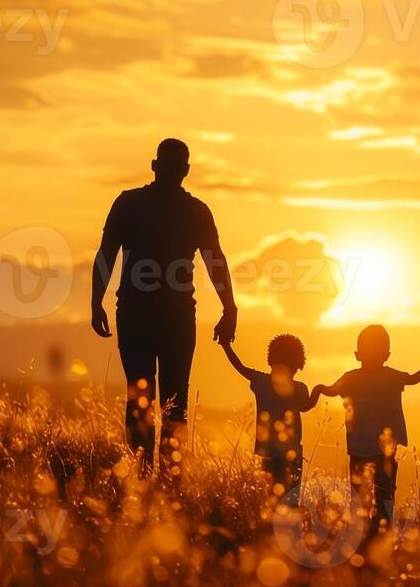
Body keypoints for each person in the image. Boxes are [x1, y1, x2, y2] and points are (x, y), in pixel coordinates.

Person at [91, 139, 238, 480]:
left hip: (170, 319)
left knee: (171, 403)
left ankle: (165, 485)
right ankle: (145, 485)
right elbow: (106, 254)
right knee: (146, 398)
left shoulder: (190, 211)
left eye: (177, 167)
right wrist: (95, 300)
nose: (172, 173)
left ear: (184, 170)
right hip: (143, 316)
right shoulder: (131, 205)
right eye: (168, 166)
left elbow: (215, 261)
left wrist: (230, 307)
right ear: (155, 166)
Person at [312, 325, 420, 532]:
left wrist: (317, 390)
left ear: (357, 354)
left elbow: (329, 390)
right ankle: (383, 530)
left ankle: (363, 532)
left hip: (360, 448)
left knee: (361, 494)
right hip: (383, 450)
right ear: (387, 355)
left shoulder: (351, 378)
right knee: (385, 493)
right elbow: (414, 378)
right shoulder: (390, 377)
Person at [221, 332, 317, 504]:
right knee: (291, 501)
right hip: (292, 455)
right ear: (298, 364)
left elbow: (240, 367)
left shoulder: (262, 382)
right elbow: (307, 406)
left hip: (268, 454)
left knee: (269, 501)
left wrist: (226, 345)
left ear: (271, 360)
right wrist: (318, 390)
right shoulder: (300, 389)